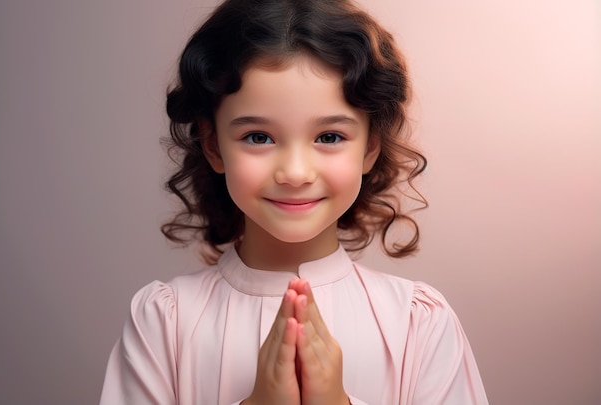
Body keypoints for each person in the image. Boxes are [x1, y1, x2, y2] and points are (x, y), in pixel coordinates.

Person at [100, 0, 488, 403]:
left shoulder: (416, 323)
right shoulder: (166, 321)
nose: (296, 172)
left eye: (329, 137)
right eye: (258, 137)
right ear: (213, 145)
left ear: (371, 145)